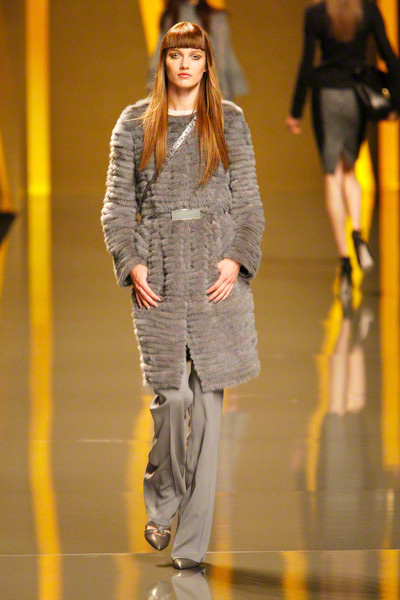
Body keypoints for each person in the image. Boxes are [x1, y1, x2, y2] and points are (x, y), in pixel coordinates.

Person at [102, 21, 264, 569]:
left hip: (216, 273)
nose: (186, 65)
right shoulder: (134, 123)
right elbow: (117, 206)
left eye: (195, 55)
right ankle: (164, 497)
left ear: (207, 63)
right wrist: (132, 262)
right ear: (164, 62)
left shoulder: (228, 121)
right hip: (162, 273)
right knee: (171, 399)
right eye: (177, 56)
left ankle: (191, 546)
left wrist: (236, 257)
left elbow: (248, 202)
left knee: (210, 414)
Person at [286, 0, 400, 297]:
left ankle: (345, 259)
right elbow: (389, 54)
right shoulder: (367, 9)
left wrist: (296, 110)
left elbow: (306, 62)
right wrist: (395, 102)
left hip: (326, 95)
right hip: (355, 96)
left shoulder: (316, 13)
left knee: (332, 174)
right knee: (350, 169)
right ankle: (358, 233)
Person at [148, 0, 248, 100]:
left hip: (210, 85)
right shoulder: (170, 18)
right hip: (178, 90)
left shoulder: (216, 18)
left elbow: (222, 57)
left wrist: (221, 92)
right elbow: (161, 54)